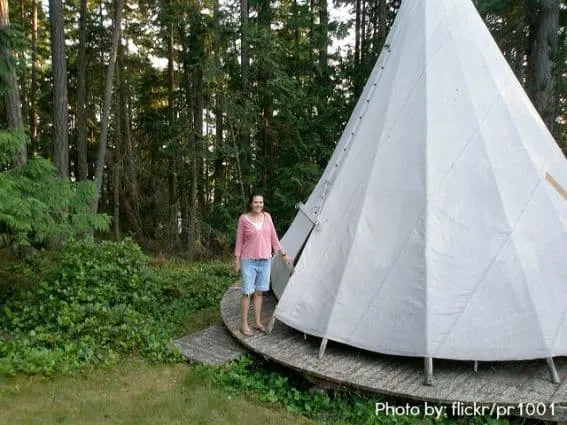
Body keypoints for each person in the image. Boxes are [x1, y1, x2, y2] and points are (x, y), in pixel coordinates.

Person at [233, 193, 291, 336]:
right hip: (248, 261)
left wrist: (283, 254)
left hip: (265, 261)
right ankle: (244, 324)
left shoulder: (267, 218)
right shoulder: (244, 219)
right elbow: (239, 241)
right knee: (247, 292)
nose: (259, 205)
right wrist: (236, 260)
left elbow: (274, 238)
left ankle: (257, 322)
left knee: (259, 293)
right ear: (250, 204)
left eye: (261, 202)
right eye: (256, 202)